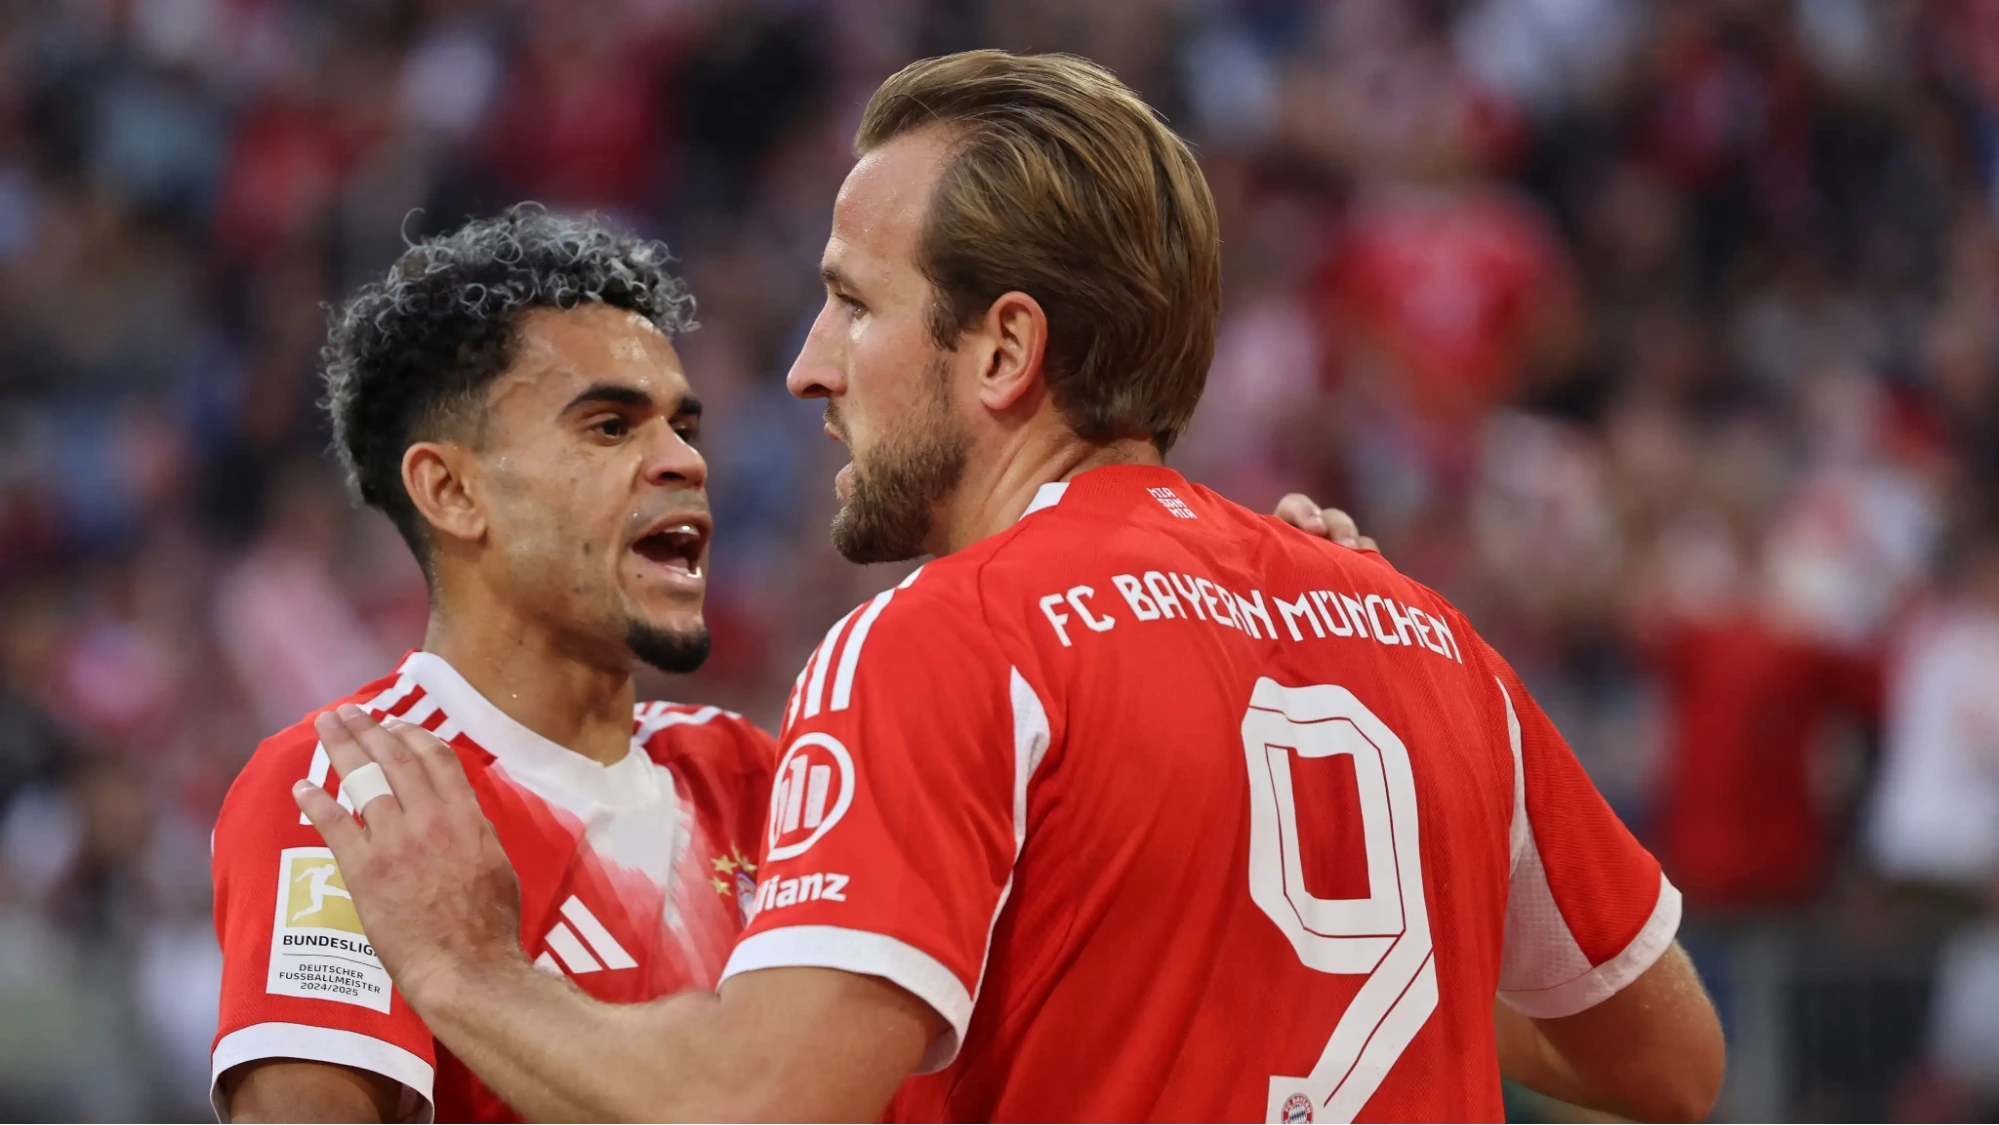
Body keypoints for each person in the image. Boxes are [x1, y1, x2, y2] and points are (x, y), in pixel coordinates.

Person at [293, 51, 1725, 1124]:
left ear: (1001, 351)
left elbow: (756, 1101)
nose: (805, 367)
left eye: (853, 302)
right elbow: (1671, 1062)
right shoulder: (1425, 639)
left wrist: (465, 966)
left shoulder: (946, 640)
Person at [207, 208, 777, 1124]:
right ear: (452, 490)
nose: (682, 462)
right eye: (610, 427)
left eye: (683, 427)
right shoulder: (353, 791)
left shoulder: (759, 779)